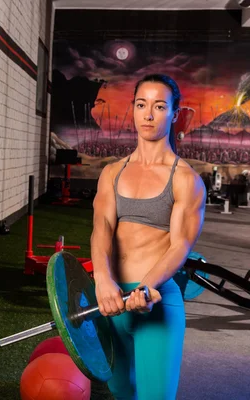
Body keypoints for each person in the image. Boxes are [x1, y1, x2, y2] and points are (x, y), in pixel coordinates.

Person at [90, 74, 206, 400]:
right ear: (133, 109)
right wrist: (102, 280)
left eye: (159, 106)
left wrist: (147, 286)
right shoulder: (112, 172)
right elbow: (102, 231)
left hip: (153, 302)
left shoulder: (186, 180)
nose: (149, 114)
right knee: (121, 393)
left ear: (175, 113)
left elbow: (180, 244)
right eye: (142, 105)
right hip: (110, 302)